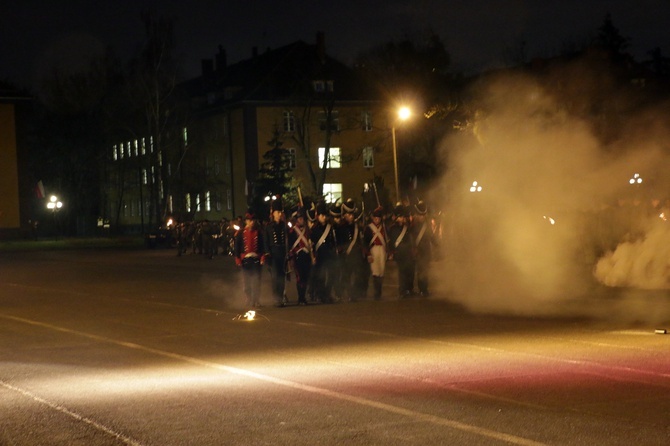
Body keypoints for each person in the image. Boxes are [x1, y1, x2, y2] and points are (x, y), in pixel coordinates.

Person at [336, 198, 368, 301]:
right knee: (346, 276)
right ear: (344, 215)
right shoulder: (340, 227)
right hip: (345, 255)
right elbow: (339, 241)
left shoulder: (356, 226)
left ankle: (353, 293)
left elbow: (359, 240)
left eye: (352, 214)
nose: (351, 216)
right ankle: (341, 293)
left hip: (356, 254)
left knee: (358, 274)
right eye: (349, 214)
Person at [234, 211, 264, 307]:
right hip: (245, 260)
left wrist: (262, 257)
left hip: (256, 259)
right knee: (247, 281)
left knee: (256, 281)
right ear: (246, 221)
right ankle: (249, 298)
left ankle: (256, 299)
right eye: (249, 221)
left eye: (253, 221)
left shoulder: (259, 233)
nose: (252, 223)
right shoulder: (240, 233)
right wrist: (238, 259)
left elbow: (262, 247)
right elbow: (237, 248)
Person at [310, 201, 337, 303]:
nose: (323, 217)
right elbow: (311, 244)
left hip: (329, 255)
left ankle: (327, 293)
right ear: (318, 216)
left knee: (330, 275)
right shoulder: (314, 229)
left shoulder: (330, 228)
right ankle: (320, 294)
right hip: (319, 255)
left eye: (325, 215)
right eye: (321, 215)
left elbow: (333, 241)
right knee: (320, 276)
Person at [264, 199, 288, 307]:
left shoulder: (284, 226)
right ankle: (276, 298)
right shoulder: (268, 227)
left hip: (282, 253)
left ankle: (281, 296)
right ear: (273, 213)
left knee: (282, 276)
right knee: (275, 277)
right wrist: (267, 254)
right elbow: (266, 242)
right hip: (273, 254)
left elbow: (287, 240)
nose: (279, 214)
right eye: (277, 212)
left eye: (280, 212)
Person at [389, 203, 415, 298]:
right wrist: (392, 252)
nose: (402, 218)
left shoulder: (407, 227)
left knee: (410, 271)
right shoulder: (393, 228)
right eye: (401, 216)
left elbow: (410, 238)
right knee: (402, 272)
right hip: (400, 253)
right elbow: (392, 241)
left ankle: (409, 289)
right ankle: (403, 290)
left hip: (408, 252)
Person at [287, 207, 312, 305]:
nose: (301, 220)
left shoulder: (308, 230)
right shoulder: (293, 231)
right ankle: (300, 298)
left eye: (302, 218)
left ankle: (303, 297)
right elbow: (290, 245)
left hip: (306, 256)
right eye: (299, 218)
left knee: (305, 277)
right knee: (299, 277)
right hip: (297, 256)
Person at [364, 206, 388, 300]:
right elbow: (366, 242)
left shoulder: (384, 228)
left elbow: (386, 240)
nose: (377, 220)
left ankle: (379, 291)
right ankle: (376, 293)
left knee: (381, 271)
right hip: (373, 250)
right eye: (375, 218)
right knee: (375, 271)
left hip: (382, 250)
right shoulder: (369, 228)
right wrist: (368, 254)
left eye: (378, 218)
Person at [412, 201, 435, 297]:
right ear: (416, 215)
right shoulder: (413, 225)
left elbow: (431, 236)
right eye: (420, 215)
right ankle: (421, 289)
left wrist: (438, 244)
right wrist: (414, 248)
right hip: (418, 251)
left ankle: (425, 289)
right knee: (420, 271)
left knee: (426, 270)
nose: (422, 217)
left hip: (426, 250)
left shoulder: (427, 224)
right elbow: (411, 238)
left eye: (423, 215)